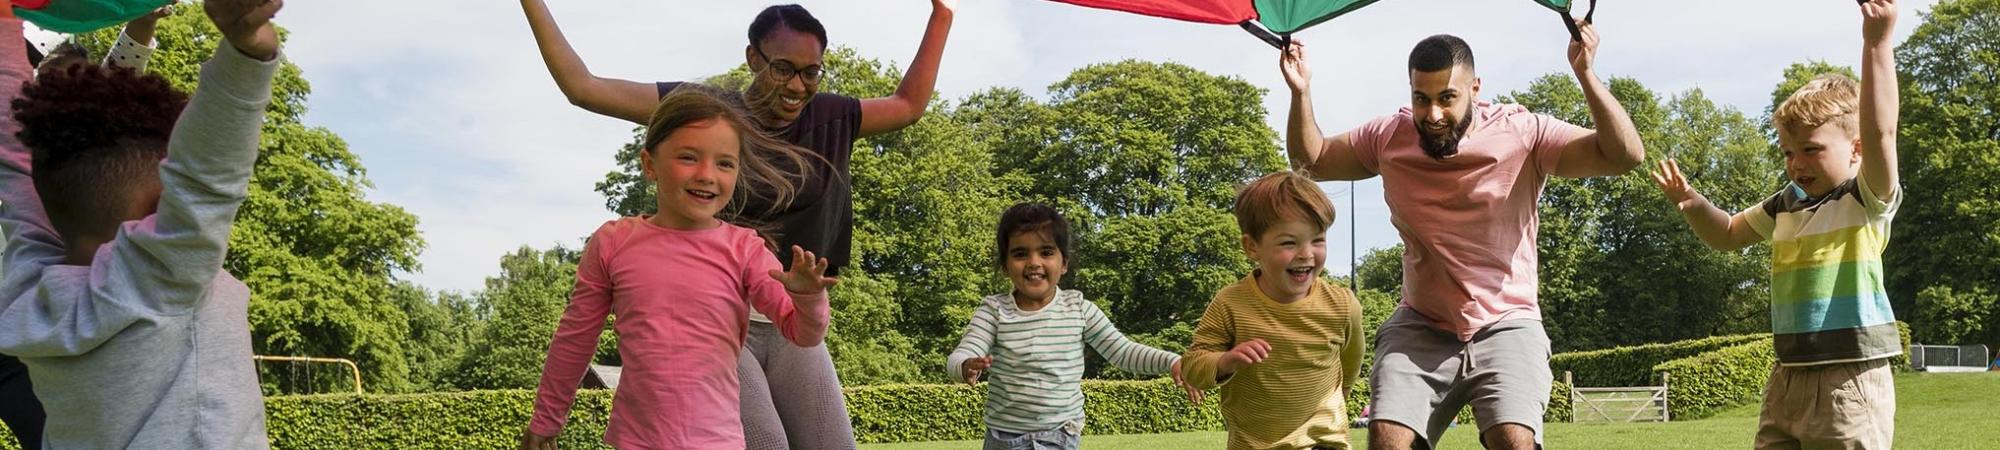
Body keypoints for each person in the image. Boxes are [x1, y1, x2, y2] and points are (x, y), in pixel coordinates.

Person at [517, 2, 956, 447]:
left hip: (791, 308)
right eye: (783, 68)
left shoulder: (832, 118)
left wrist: (943, 14)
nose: (797, 85)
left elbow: (908, 104)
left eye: (812, 72)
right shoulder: (705, 113)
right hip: (722, 315)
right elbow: (583, 86)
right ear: (752, 58)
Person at [1281, 20, 1646, 449]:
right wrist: (1300, 92)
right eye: (1422, 99)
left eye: (1446, 98)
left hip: (1507, 322)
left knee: (1513, 440)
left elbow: (1624, 155)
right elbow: (1313, 161)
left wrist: (1586, 74)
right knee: (1387, 440)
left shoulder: (1523, 133)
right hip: (1421, 324)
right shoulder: (1387, 137)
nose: (1433, 115)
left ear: (1475, 89)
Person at [0, 0, 285, 447]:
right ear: (163, 201)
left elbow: (16, 165)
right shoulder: (162, 277)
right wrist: (245, 55)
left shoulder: (28, 291)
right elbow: (207, 178)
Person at [523, 84, 837, 450]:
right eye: (688, 157)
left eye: (724, 163)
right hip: (635, 441)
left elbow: (802, 333)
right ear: (649, 164)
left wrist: (807, 297)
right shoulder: (613, 242)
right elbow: (576, 338)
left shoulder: (746, 249)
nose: (707, 174)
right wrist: (546, 419)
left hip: (718, 442)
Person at [1650, 2, 1904, 448]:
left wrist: (1877, 42)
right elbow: (1727, 234)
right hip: (1787, 373)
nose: (1796, 163)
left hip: (1849, 375)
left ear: (1856, 149)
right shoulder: (1785, 205)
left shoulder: (1864, 199)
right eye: (1788, 151)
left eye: (1811, 149)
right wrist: (1690, 201)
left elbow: (1882, 131)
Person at [947, 202, 1186, 450]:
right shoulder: (994, 311)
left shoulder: (1079, 309)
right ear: (1006, 266)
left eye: (1046, 252)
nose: (1033, 262)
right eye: (1020, 254)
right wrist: (965, 366)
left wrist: (1170, 361)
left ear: (1064, 264)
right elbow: (963, 352)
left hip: (1059, 438)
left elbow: (1123, 352)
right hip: (1003, 440)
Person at [1180, 171, 1367, 450]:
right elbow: (1192, 366)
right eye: (1289, 243)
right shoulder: (1231, 303)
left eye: (1317, 240)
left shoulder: (1341, 304)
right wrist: (1224, 361)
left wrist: (1342, 396)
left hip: (1324, 441)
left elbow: (1351, 359)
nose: (1306, 254)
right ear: (1252, 247)